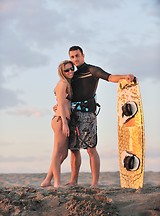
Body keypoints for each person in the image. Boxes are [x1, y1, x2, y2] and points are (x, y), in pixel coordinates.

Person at [67, 46, 135, 187]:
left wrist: (124, 77)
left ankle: (94, 184)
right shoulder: (71, 75)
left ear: (83, 55)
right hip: (73, 115)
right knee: (74, 149)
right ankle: (73, 181)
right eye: (72, 57)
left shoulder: (92, 70)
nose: (75, 59)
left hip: (88, 114)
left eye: (77, 55)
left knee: (91, 148)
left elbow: (109, 77)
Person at [41, 60, 74, 188]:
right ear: (62, 72)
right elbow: (60, 103)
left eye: (72, 69)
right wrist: (65, 124)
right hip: (60, 121)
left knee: (64, 154)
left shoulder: (67, 84)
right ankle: (57, 183)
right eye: (67, 70)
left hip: (63, 120)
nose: (70, 71)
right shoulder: (62, 84)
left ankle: (48, 180)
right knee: (57, 151)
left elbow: (61, 103)